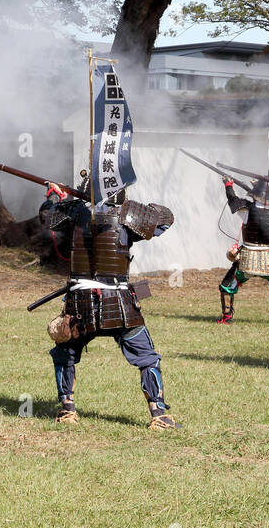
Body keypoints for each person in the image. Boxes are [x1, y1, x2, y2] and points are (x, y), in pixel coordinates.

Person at [38, 184, 180, 429]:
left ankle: (67, 409)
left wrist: (57, 196)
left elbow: (46, 215)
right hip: (120, 304)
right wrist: (133, 205)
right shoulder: (127, 216)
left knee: (64, 355)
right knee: (147, 358)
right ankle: (158, 414)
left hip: (81, 305)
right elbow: (165, 218)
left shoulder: (71, 212)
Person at [217, 176, 269, 323]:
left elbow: (233, 199)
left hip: (247, 261)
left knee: (227, 287)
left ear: (255, 195)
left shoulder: (246, 210)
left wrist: (228, 185)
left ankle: (227, 317)